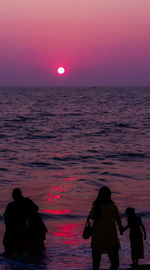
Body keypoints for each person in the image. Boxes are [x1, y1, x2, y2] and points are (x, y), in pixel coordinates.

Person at [88, 186, 123, 270]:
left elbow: (90, 219)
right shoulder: (112, 205)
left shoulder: (96, 206)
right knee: (115, 263)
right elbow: (118, 219)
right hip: (110, 237)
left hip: (97, 237)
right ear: (109, 195)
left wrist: (89, 230)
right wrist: (121, 229)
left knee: (96, 264)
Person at [3, 188, 39, 256]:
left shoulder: (11, 205)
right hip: (21, 227)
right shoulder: (26, 201)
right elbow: (36, 208)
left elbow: (6, 218)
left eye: (13, 196)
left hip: (17, 229)